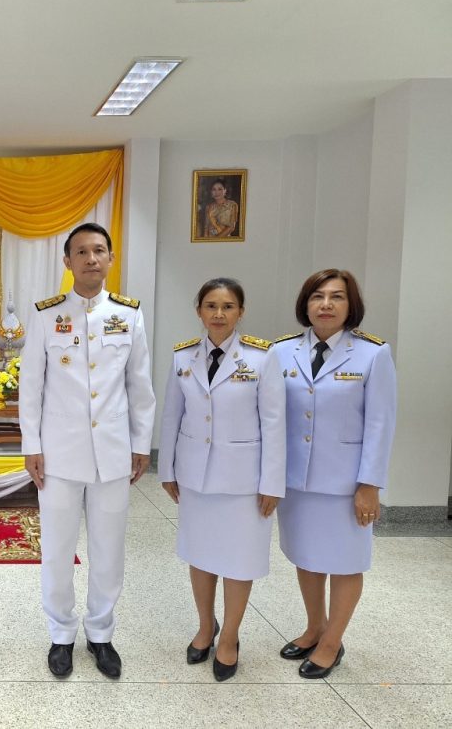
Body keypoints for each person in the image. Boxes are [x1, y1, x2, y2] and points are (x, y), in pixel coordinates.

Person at [19, 222, 156, 680]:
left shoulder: (129, 314)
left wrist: (141, 443)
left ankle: (100, 632)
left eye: (99, 250)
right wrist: (32, 445)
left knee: (108, 549)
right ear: (68, 261)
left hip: (113, 454)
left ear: (111, 259)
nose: (91, 258)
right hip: (58, 455)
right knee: (57, 550)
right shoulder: (46, 315)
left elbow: (140, 386)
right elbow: (31, 386)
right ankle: (60, 634)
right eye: (81, 251)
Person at [157, 278, 285, 681]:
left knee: (239, 560)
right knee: (200, 555)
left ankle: (229, 636)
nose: (218, 314)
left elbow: (274, 424)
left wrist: (272, 483)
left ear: (240, 312)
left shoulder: (262, 358)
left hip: (244, 481)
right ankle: (205, 626)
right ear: (199, 310)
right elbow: (172, 416)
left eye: (228, 306)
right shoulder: (183, 356)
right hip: (195, 477)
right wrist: (168, 469)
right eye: (210, 305)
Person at [273, 269, 396, 678]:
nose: (326, 304)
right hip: (296, 480)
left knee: (345, 562)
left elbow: (380, 424)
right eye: (317, 296)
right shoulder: (281, 351)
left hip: (346, 484)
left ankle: (331, 642)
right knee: (306, 556)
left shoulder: (373, 354)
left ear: (350, 305)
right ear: (305, 304)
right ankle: (315, 627)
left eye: (337, 297)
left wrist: (369, 484)